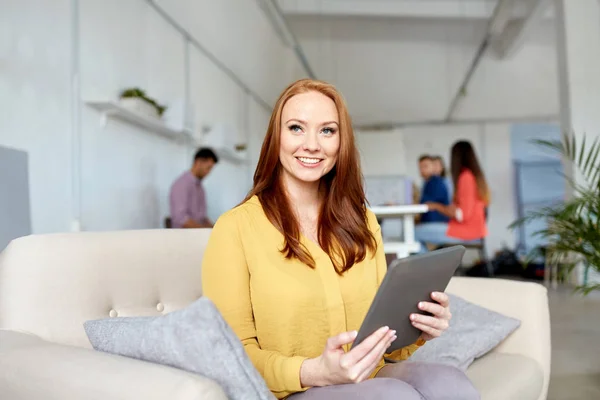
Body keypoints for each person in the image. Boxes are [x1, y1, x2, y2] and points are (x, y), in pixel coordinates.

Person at [201, 79, 479, 400]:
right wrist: (314, 371)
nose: (312, 145)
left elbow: (386, 344)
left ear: (341, 141)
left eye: (327, 131)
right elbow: (230, 354)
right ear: (275, 137)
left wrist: (418, 330)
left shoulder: (361, 221)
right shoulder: (235, 228)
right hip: (292, 389)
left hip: (368, 375)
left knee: (451, 383)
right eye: (296, 128)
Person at [415, 141, 490, 249]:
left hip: (466, 231)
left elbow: (462, 215)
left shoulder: (465, 178)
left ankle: (427, 265)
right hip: (471, 230)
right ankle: (430, 264)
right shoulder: (473, 177)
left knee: (413, 234)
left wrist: (437, 206)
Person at [169, 147, 218, 228]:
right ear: (198, 162)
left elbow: (202, 218)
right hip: (183, 236)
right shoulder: (181, 184)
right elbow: (180, 218)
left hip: (196, 234)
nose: (209, 172)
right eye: (208, 168)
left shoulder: (200, 188)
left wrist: (216, 229)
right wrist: (202, 230)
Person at [417, 155, 450, 224]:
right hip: (430, 222)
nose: (422, 170)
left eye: (425, 166)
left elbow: (426, 204)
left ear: (433, 167)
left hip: (437, 223)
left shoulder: (436, 182)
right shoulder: (427, 183)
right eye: (420, 167)